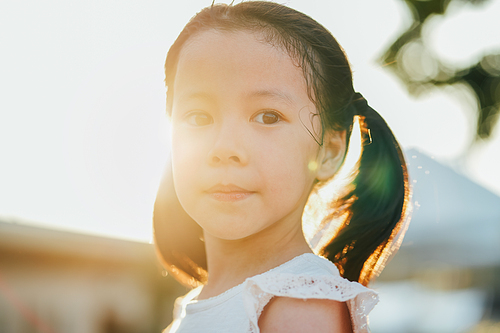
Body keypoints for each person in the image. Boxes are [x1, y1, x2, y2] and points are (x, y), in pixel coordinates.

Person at [153, 1, 411, 332]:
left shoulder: (301, 305)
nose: (225, 148)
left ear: (329, 151)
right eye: (198, 117)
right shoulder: (199, 304)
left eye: (268, 116)